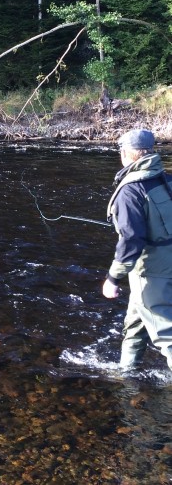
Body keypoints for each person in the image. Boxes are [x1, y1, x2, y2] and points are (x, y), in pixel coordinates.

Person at [102, 128, 172, 370]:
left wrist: (113, 278)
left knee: (167, 338)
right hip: (165, 266)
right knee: (135, 325)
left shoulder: (129, 191)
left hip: (152, 274)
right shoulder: (168, 180)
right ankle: (127, 374)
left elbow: (132, 241)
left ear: (126, 154)